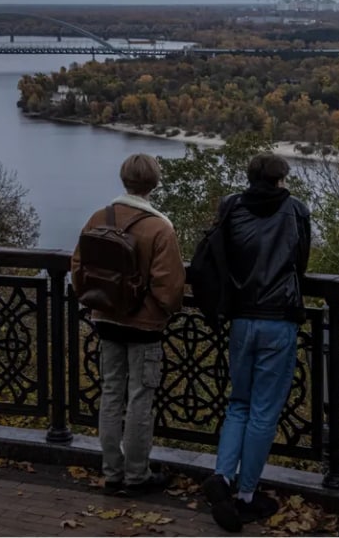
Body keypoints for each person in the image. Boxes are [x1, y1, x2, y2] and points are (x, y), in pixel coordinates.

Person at [201, 153, 311, 531]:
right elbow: (301, 263)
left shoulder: (231, 207)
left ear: (249, 177)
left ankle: (222, 477)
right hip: (278, 321)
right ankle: (247, 495)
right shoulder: (296, 211)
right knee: (264, 410)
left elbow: (222, 257)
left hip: (241, 320)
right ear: (281, 179)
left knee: (239, 403)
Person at [71, 153, 185, 496]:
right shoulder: (159, 227)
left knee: (110, 394)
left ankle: (111, 473)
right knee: (139, 398)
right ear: (154, 182)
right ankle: (137, 476)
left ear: (125, 179)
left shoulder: (98, 218)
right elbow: (169, 287)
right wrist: (160, 311)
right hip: (145, 326)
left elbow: (78, 269)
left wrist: (97, 301)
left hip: (105, 320)